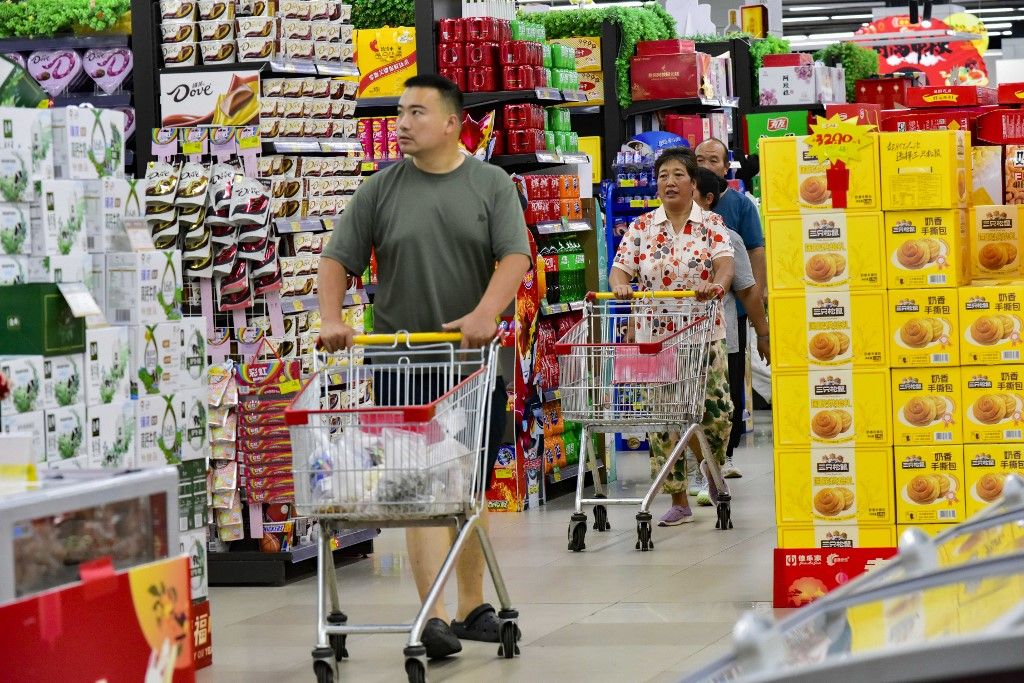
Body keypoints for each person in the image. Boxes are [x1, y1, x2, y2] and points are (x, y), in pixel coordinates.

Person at [317, 74, 532, 659]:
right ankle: (432, 616)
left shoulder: (491, 185)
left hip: (473, 363)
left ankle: (470, 605)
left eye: (416, 112)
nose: (402, 123)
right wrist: (332, 316)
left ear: (449, 122)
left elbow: (515, 256)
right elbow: (337, 257)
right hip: (401, 361)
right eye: (399, 112)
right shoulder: (381, 189)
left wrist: (488, 311)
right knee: (419, 490)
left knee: (467, 487)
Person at [608, 147, 735, 527]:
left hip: (703, 334)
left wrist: (716, 285)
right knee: (664, 418)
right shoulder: (642, 227)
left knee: (717, 412)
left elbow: (725, 264)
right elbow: (620, 269)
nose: (669, 181)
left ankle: (712, 470)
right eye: (663, 175)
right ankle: (678, 498)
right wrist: (620, 287)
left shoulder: (711, 224)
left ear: (693, 184)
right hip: (656, 339)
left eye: (678, 174)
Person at [695, 138, 766, 480]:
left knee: (728, 385)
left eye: (712, 160)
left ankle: (725, 452)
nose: (705, 165)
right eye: (699, 159)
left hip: (729, 315)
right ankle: (700, 459)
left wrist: (759, 303)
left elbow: (754, 254)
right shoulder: (660, 224)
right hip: (684, 326)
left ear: (726, 167)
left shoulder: (739, 209)